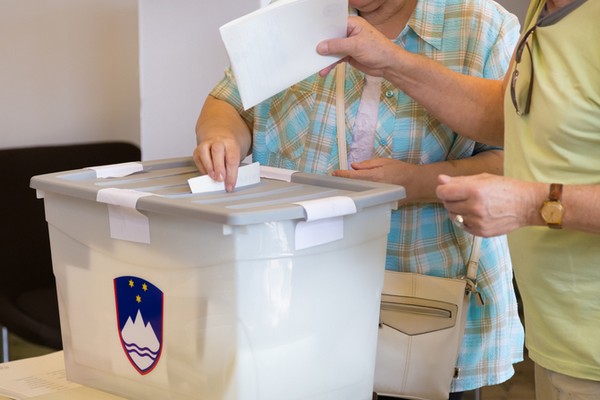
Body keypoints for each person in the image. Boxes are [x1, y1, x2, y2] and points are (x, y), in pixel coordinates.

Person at [194, 0, 525, 398]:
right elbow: (229, 101)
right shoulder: (297, 15)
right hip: (297, 300)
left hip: (427, 307)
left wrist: (417, 183)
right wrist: (222, 137)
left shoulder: (481, 26)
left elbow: (518, 159)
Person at [317, 0, 600, 399]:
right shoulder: (546, 9)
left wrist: (529, 203)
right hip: (559, 343)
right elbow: (505, 116)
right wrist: (392, 61)